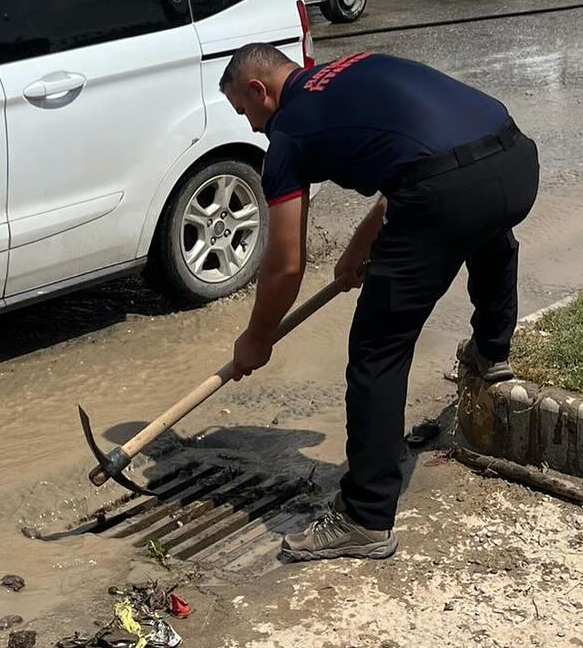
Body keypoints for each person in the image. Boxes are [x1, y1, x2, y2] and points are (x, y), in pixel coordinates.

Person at [221, 45, 540, 562]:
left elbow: (284, 264)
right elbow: (415, 154)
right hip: (515, 160)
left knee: (377, 349)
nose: (254, 127)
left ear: (259, 90)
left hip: (446, 190)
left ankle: (365, 518)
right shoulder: (357, 65)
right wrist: (358, 247)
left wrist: (258, 338)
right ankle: (491, 353)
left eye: (245, 112)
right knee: (488, 229)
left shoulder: (288, 133)